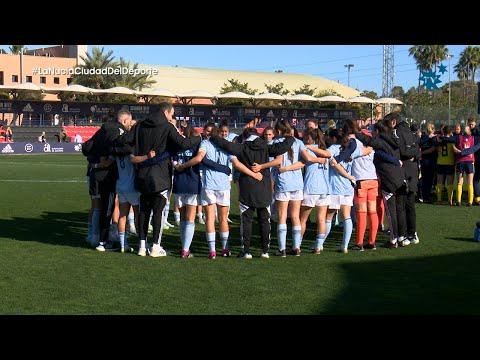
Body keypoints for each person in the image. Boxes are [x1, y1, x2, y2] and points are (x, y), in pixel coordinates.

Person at [209, 126, 296, 259]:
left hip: (247, 187)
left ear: (244, 137)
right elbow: (283, 147)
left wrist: (213, 136)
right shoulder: (266, 147)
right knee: (264, 220)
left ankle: (246, 251)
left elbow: (225, 145)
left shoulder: (242, 147)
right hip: (264, 187)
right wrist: (290, 136)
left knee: (246, 221)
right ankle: (265, 251)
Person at [133, 103, 201, 258]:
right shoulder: (168, 127)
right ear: (166, 112)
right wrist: (197, 139)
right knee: (158, 212)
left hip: (142, 174)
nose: (172, 118)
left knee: (143, 211)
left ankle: (142, 246)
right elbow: (183, 144)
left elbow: (128, 141)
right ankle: (156, 247)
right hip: (160, 176)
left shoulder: (140, 126)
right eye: (171, 114)